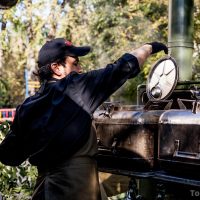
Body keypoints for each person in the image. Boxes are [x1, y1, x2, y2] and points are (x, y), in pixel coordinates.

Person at [0, 38, 168, 200]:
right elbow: (121, 68)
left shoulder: (26, 108)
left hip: (43, 189)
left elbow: (9, 156)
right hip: (76, 189)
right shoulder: (74, 87)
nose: (80, 69)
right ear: (56, 68)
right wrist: (149, 47)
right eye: (75, 63)